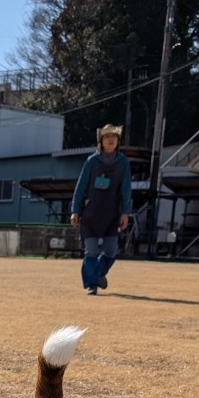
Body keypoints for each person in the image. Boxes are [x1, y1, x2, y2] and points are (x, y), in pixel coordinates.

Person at [70, 124, 132, 295]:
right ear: (101, 141)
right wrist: (75, 210)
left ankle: (97, 275)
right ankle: (92, 285)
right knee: (91, 250)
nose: (111, 139)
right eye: (107, 137)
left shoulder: (123, 162)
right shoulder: (92, 161)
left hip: (112, 213)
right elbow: (80, 187)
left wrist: (125, 212)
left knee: (111, 249)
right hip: (91, 212)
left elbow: (126, 189)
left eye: (114, 137)